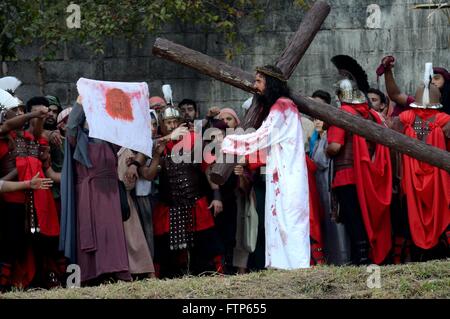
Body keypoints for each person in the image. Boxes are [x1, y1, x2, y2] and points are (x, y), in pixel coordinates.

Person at [221, 65, 310, 270]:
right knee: (277, 217)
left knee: (289, 219)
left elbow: (262, 136)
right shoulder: (279, 106)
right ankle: (280, 264)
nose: (255, 86)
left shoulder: (283, 106)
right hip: (280, 172)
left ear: (270, 83)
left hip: (289, 174)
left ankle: (297, 265)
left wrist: (229, 143)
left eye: (259, 81)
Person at [326, 55, 393, 265]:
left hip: (346, 175)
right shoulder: (371, 115)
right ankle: (367, 256)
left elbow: (335, 147)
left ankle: (361, 258)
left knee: (353, 217)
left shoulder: (343, 114)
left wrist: (326, 149)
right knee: (365, 216)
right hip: (368, 175)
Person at [61, 99, 131, 284]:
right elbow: (71, 127)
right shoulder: (79, 139)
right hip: (90, 194)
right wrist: (80, 103)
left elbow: (125, 128)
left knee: (112, 232)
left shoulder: (110, 141)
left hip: (111, 193)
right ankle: (94, 274)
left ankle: (116, 270)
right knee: (95, 231)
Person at [388, 63, 450, 262]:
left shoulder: (405, 118)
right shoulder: (445, 120)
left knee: (412, 215)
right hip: (439, 183)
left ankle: (418, 253)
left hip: (411, 180)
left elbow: (390, 142)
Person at [152, 105, 224, 278]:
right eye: (167, 122)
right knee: (168, 255)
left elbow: (209, 169)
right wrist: (167, 138)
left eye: (174, 122)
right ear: (162, 124)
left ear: (180, 122)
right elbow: (147, 156)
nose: (171, 125)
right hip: (169, 205)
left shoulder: (194, 139)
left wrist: (217, 196)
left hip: (195, 202)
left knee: (206, 247)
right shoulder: (158, 143)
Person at [0, 96, 63, 291]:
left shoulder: (31, 139)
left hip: (30, 199)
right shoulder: (5, 134)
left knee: (35, 240)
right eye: (17, 110)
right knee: (11, 244)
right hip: (8, 199)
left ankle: (36, 281)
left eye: (22, 110)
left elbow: (36, 135)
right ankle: (6, 285)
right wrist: (35, 114)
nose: (20, 114)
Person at [380, 56, 450, 115]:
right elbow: (395, 95)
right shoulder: (417, 104)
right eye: (430, 79)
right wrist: (387, 70)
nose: (432, 82)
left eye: (437, 78)